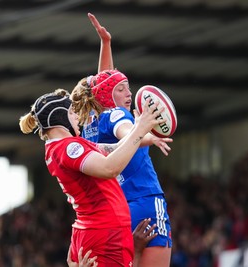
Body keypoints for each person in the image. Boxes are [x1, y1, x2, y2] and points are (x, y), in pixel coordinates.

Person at [19, 88, 165, 267]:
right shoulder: (67, 148)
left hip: (99, 231)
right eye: (72, 112)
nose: (77, 118)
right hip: (105, 234)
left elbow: (111, 148)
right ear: (59, 118)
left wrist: (146, 136)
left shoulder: (60, 147)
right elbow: (109, 167)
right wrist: (139, 129)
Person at [70, 14, 173, 267]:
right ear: (108, 95)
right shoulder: (118, 115)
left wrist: (106, 44)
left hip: (116, 213)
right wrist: (148, 133)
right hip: (147, 200)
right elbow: (127, 131)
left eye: (129, 87)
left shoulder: (91, 125)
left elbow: (105, 82)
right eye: (122, 89)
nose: (129, 94)